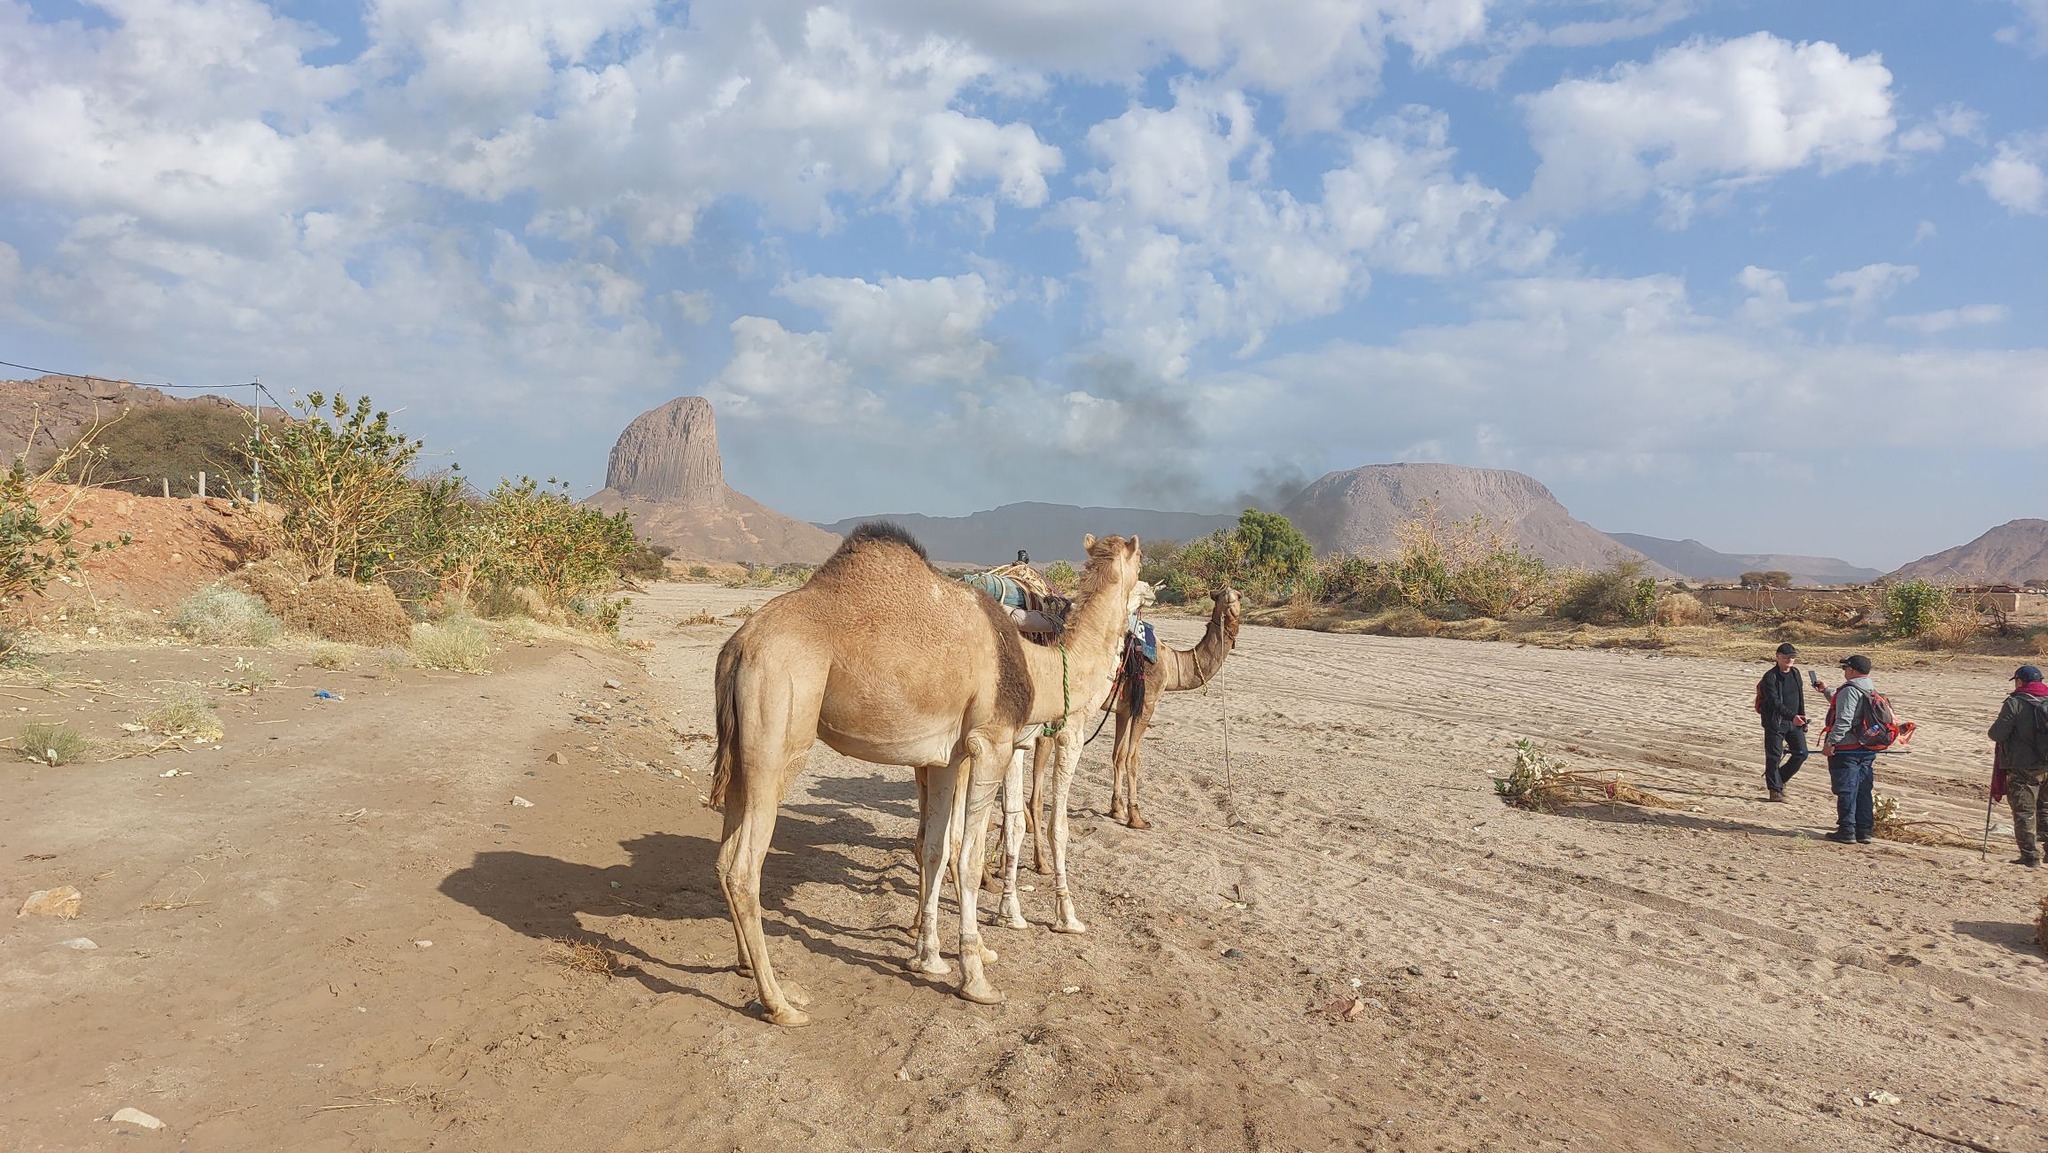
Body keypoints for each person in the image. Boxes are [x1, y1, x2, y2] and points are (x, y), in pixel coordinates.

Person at [1988, 664, 2048, 868]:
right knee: (2046, 809)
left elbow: (1996, 734)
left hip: (2022, 766)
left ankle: (2030, 856)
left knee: (2024, 811)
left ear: (2020, 682)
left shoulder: (2014, 703)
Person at [1820, 654, 1880, 845]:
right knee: (1863, 789)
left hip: (1847, 749)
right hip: (1867, 747)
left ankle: (1847, 830)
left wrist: (1830, 743)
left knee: (1846, 789)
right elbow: (1850, 708)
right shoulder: (1870, 688)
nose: (1845, 671)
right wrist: (1826, 691)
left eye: (1845, 668)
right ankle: (1864, 831)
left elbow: (1844, 719)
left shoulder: (1849, 690)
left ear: (1852, 670)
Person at [1755, 642, 1808, 802]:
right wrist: (1792, 716)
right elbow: (1774, 703)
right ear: (1777, 657)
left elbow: (1800, 698)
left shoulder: (1795, 673)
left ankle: (1780, 780)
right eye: (1786, 657)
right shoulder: (1770, 677)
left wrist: (1802, 718)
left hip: (1795, 721)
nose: (1789, 660)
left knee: (1801, 753)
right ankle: (1775, 790)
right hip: (1775, 722)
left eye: (1792, 657)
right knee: (1774, 756)